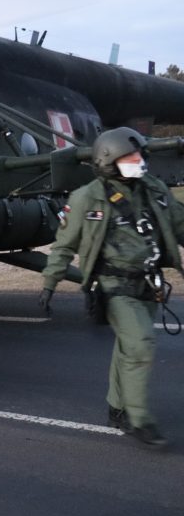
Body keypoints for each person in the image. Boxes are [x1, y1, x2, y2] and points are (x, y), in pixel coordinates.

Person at [39, 126, 184, 448]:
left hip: (147, 283)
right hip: (112, 285)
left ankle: (117, 408)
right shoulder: (87, 197)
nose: (138, 161)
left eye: (139, 154)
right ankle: (139, 418)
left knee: (127, 348)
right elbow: (64, 245)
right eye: (130, 156)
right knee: (141, 344)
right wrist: (50, 281)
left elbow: (178, 223)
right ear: (107, 160)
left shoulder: (153, 188)